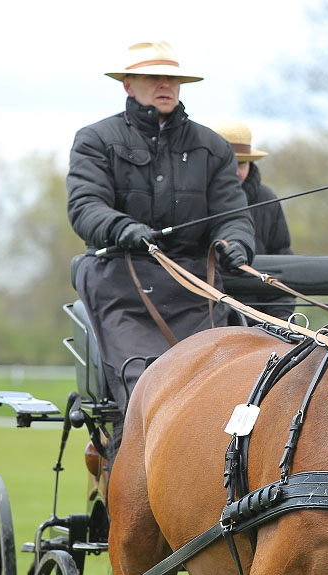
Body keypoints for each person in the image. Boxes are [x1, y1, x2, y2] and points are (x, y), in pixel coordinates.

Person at [67, 40, 255, 458]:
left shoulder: (212, 147)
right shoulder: (96, 139)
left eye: (172, 78)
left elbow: (233, 214)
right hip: (120, 282)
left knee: (220, 385)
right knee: (145, 383)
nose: (165, 84)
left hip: (193, 286)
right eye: (154, 77)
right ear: (129, 85)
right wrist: (122, 228)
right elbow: (84, 207)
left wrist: (236, 242)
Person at [214, 119, 296, 320]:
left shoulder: (267, 200)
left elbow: (282, 260)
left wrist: (279, 322)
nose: (235, 171)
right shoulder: (195, 201)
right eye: (228, 163)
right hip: (205, 318)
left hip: (261, 321)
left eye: (241, 163)